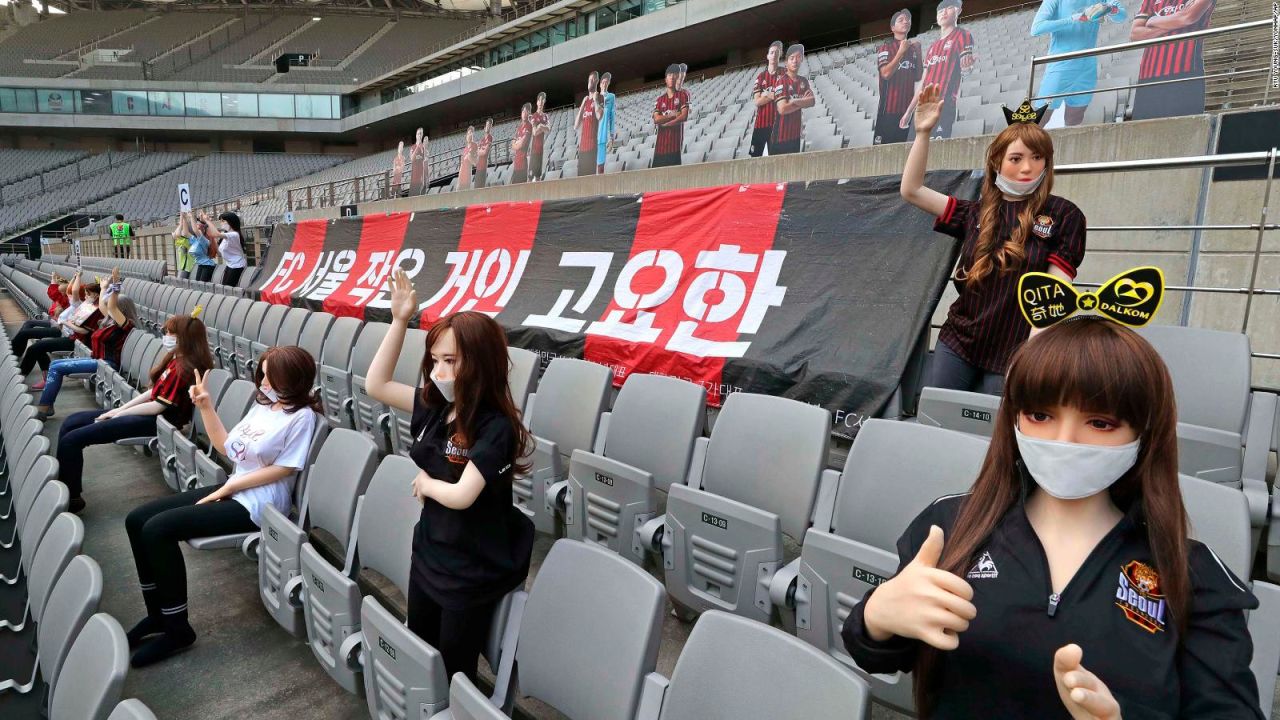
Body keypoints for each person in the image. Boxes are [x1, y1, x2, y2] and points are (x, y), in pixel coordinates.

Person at [840, 316, 1264, 719]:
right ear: (1015, 419)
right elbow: (880, 653)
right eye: (1040, 416)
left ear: (1143, 433)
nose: (1065, 441)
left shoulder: (1194, 577)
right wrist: (874, 617)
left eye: (1100, 422)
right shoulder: (951, 525)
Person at [366, 270, 534, 684]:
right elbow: (376, 384)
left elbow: (462, 495)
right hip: (430, 550)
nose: (438, 372)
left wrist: (425, 484)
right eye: (435, 361)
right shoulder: (437, 406)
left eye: (450, 362)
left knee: (454, 669)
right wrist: (400, 321)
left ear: (480, 364)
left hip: (471, 566)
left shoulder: (497, 427)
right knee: (420, 651)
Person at [124, 346, 321, 667]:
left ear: (295, 379)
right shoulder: (263, 405)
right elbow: (228, 448)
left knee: (158, 529)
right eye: (263, 374)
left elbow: (286, 468)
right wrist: (206, 406)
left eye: (273, 376)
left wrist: (231, 486)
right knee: (137, 520)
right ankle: (157, 615)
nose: (265, 382)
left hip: (261, 501)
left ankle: (177, 627)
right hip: (236, 487)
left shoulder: (303, 416)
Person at [902, 87, 1085, 394]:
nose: (1027, 167)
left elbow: (1051, 299)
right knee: (938, 421)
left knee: (992, 437)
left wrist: (1033, 356)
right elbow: (912, 190)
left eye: (1037, 157)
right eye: (1016, 158)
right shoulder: (975, 212)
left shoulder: (1064, 215)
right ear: (998, 163)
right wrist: (922, 133)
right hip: (958, 344)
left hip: (1015, 353)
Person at [55, 314, 212, 514]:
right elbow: (153, 392)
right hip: (145, 414)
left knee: (72, 440)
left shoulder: (186, 368)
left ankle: (72, 497)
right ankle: (64, 483)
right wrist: (119, 409)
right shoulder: (176, 359)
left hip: (158, 422)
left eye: (172, 332)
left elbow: (158, 406)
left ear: (186, 337)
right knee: (71, 422)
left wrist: (119, 414)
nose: (166, 336)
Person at [36, 268, 136, 420]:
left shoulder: (126, 325)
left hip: (107, 363)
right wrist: (103, 288)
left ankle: (44, 407)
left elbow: (111, 307)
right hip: (98, 360)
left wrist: (115, 285)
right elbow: (105, 305)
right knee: (55, 366)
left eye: (111, 307)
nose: (106, 308)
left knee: (56, 368)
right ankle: (46, 405)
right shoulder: (109, 320)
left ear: (121, 310)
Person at [1031, 0, 1127, 127]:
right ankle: (1021, 145)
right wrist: (1074, 19)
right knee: (1039, 119)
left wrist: (1110, 9)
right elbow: (1036, 28)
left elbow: (1122, 16)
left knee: (1075, 118)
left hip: (1087, 67)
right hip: (1060, 65)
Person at [1129, 0, 1216, 120]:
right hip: (1147, 78)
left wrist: (1152, 21)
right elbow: (1135, 34)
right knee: (1143, 134)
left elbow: (1188, 17)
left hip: (1186, 74)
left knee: (1182, 131)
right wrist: (1175, 22)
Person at [902, 0, 976, 140]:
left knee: (933, 153)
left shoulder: (963, 35)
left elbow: (966, 68)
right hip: (922, 107)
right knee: (912, 152)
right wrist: (908, 112)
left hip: (943, 104)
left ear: (958, 11)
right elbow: (923, 82)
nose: (944, 12)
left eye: (949, 8)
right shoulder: (932, 47)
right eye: (940, 11)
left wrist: (967, 67)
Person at [22, 272, 102, 384]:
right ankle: (42, 377)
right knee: (37, 347)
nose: (85, 296)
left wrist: (67, 323)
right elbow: (71, 290)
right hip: (73, 337)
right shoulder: (87, 305)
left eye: (88, 294)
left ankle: (23, 376)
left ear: (96, 295)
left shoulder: (95, 310)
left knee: (36, 347)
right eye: (85, 293)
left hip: (78, 342)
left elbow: (84, 331)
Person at [875, 10, 923, 145]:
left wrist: (918, 52)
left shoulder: (913, 49)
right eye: (901, 20)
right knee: (884, 154)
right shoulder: (886, 47)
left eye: (908, 19)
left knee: (905, 153)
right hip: (888, 112)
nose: (906, 21)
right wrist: (901, 52)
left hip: (907, 112)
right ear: (893, 28)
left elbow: (918, 76)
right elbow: (885, 74)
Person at [10, 271, 71, 356]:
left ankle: (16, 349)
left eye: (61, 291)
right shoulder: (61, 297)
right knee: (28, 324)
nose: (58, 292)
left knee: (28, 332)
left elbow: (53, 292)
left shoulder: (66, 299)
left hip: (57, 326)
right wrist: (53, 278)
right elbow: (52, 291)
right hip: (53, 322)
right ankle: (16, 347)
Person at [773, 44, 815, 155]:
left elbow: (812, 101)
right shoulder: (781, 81)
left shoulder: (803, 81)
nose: (795, 61)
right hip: (780, 137)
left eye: (798, 57)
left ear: (801, 59)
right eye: (791, 58)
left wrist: (794, 101)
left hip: (795, 135)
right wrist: (802, 102)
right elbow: (782, 109)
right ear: (786, 63)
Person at [749, 41, 785, 157]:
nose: (774, 55)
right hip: (760, 124)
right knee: (755, 158)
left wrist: (766, 94)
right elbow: (757, 101)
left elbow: (783, 97)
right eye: (772, 52)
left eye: (777, 52)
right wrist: (773, 94)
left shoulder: (785, 74)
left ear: (780, 55)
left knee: (776, 159)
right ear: (768, 56)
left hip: (778, 125)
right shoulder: (760, 77)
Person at [653, 64, 689, 168]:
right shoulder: (660, 100)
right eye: (669, 75)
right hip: (660, 148)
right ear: (665, 79)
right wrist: (673, 115)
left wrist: (666, 123)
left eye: (675, 75)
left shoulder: (683, 95)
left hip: (674, 147)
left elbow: (683, 116)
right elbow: (656, 119)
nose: (672, 77)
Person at [201, 210, 246, 288]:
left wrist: (207, 220)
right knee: (225, 288)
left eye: (223, 221)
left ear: (231, 222)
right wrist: (205, 222)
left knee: (228, 289)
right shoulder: (226, 236)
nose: (221, 223)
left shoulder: (234, 234)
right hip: (230, 265)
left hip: (237, 265)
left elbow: (216, 234)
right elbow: (213, 235)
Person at [575, 71, 600, 176]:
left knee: (590, 179)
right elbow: (576, 126)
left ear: (597, 81)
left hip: (592, 146)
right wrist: (582, 105)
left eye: (593, 79)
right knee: (580, 179)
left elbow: (599, 116)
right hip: (582, 148)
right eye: (589, 79)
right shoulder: (585, 101)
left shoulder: (599, 97)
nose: (591, 81)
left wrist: (596, 100)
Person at [595, 72, 616, 174]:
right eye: (603, 82)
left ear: (609, 84)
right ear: (600, 84)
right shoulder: (595, 97)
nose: (604, 84)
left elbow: (612, 117)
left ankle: (600, 189)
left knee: (600, 166)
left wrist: (612, 136)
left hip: (602, 135)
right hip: (592, 136)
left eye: (606, 82)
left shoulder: (611, 97)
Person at [189, 215, 217, 283]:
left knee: (202, 285)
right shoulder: (195, 240)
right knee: (198, 284)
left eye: (199, 229)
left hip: (207, 265)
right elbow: (185, 232)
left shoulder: (204, 240)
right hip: (201, 264)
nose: (197, 230)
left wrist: (191, 216)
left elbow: (195, 230)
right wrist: (183, 218)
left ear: (203, 230)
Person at [529, 93, 550, 181]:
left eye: (543, 100)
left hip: (540, 150)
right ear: (537, 102)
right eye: (539, 100)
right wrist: (542, 127)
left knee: (538, 176)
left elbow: (549, 129)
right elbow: (534, 132)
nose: (541, 102)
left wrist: (540, 126)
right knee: (530, 177)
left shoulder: (546, 116)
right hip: (533, 150)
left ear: (544, 101)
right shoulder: (534, 116)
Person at [511, 104, 532, 185]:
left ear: (529, 113)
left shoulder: (529, 126)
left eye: (526, 111)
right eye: (523, 111)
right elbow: (513, 144)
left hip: (523, 163)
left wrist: (517, 142)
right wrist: (517, 142)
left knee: (520, 190)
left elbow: (521, 144)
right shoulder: (519, 127)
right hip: (516, 163)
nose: (524, 113)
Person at [172, 211, 197, 280]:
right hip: (184, 267)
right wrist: (181, 219)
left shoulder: (188, 242)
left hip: (189, 268)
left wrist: (182, 219)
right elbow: (176, 235)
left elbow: (178, 234)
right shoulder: (182, 242)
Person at [474, 119, 493, 189]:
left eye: (489, 125)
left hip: (483, 166)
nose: (488, 127)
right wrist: (481, 150)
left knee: (481, 187)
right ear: (484, 127)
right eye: (487, 125)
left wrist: (481, 150)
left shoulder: (490, 138)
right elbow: (477, 152)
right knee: (476, 187)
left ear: (491, 127)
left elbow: (485, 152)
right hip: (478, 166)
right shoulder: (481, 140)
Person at [409, 127, 429, 195]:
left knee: (422, 196)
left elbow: (426, 162)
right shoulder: (412, 147)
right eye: (418, 134)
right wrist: (418, 146)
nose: (419, 135)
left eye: (421, 134)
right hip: (414, 177)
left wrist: (427, 177)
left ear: (422, 135)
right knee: (413, 197)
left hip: (422, 177)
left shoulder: (424, 149)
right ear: (416, 135)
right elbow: (412, 159)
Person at [458, 127, 475, 191]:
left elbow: (474, 163)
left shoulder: (474, 146)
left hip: (467, 176)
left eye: (471, 133)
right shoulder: (465, 149)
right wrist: (459, 175)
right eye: (468, 133)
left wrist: (470, 157)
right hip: (462, 175)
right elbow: (462, 163)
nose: (469, 135)